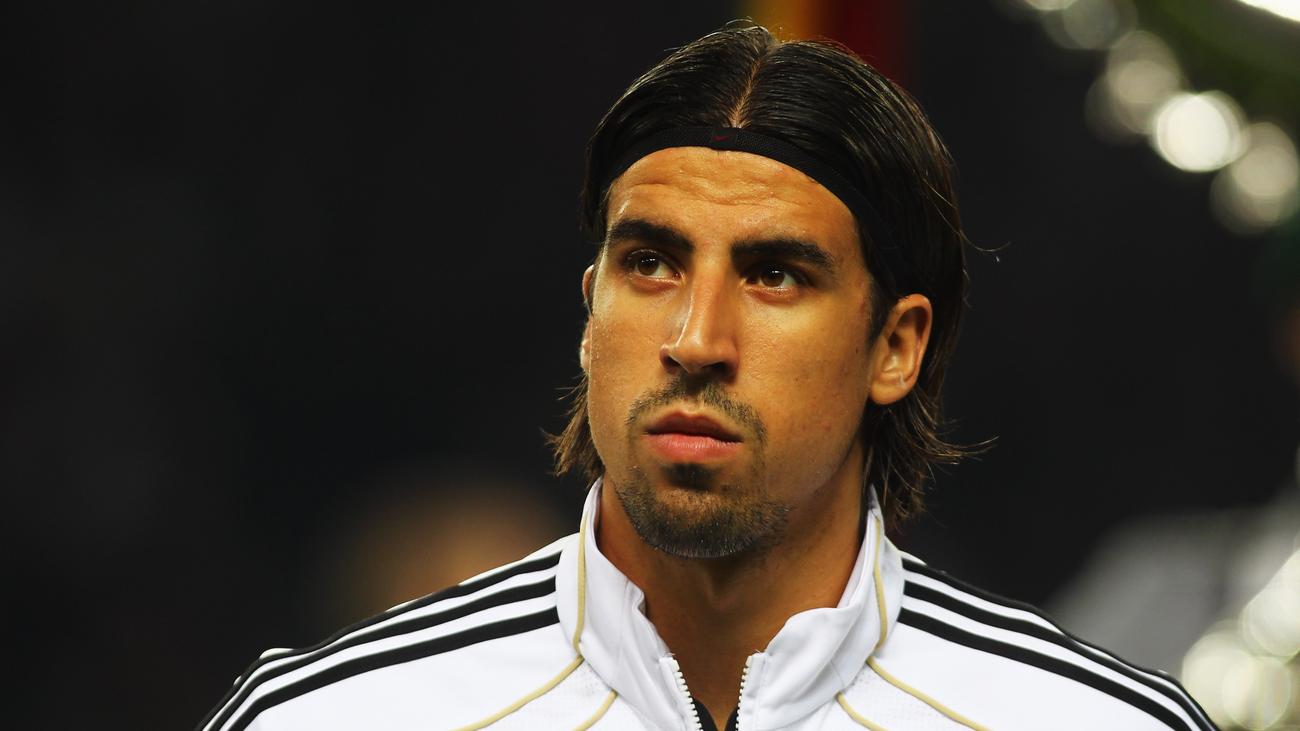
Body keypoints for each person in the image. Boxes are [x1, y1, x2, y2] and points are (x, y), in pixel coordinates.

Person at [198, 25, 1214, 731]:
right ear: (591, 308)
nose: (695, 337)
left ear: (897, 346)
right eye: (650, 263)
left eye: (774, 274)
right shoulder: (328, 716)